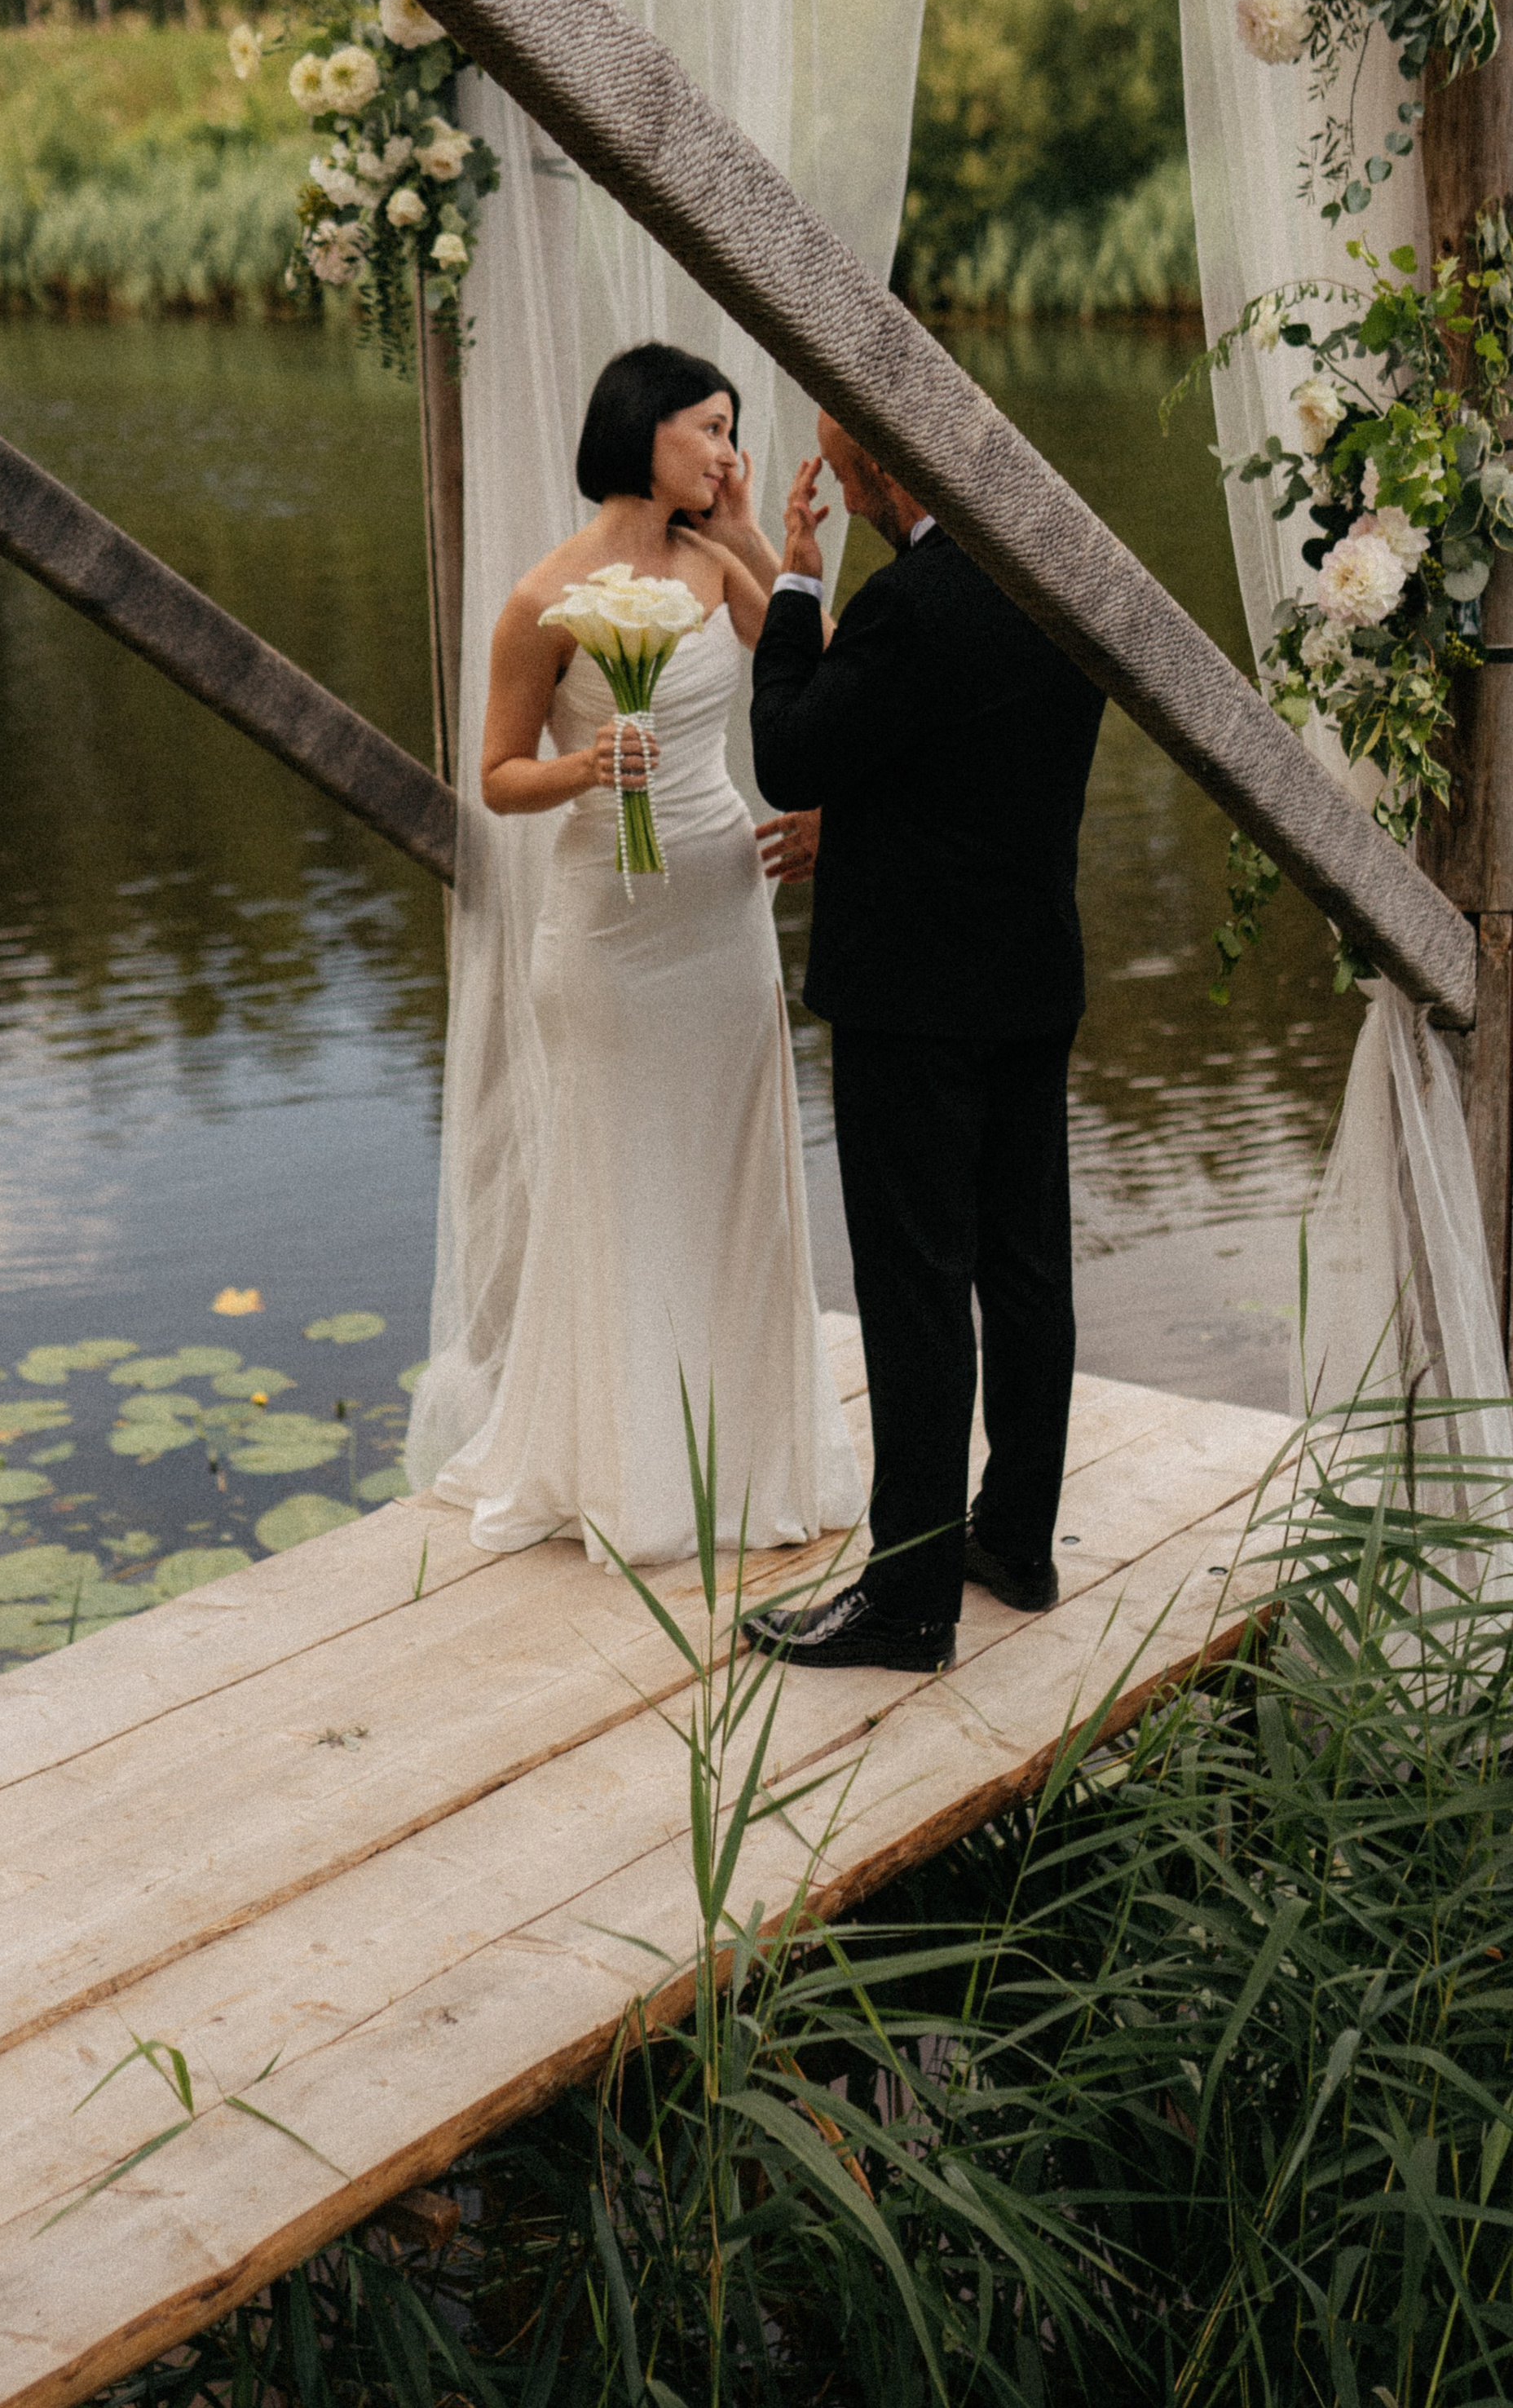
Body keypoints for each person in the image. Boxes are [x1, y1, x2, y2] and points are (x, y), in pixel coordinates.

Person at [418, 343, 862, 1567]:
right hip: (607, 927)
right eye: (709, 428)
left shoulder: (715, 563)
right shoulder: (541, 599)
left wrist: (777, 546)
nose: (728, 448)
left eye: (732, 430)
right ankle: (635, 1469)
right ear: (642, 429)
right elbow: (502, 778)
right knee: (624, 1179)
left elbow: (808, 671)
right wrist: (586, 768)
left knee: (732, 1176)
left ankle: (749, 1446)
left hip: (721, 908)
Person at [744, 413, 1104, 1672]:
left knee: (914, 1289)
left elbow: (788, 749)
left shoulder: (912, 606)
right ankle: (1013, 1539)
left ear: (889, 468)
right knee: (1025, 1269)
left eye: (850, 478)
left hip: (913, 993)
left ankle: (906, 1600)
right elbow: (971, 764)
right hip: (1028, 975)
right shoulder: (1063, 573)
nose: (854, 498)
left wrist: (798, 581)